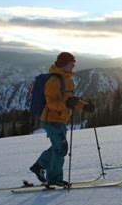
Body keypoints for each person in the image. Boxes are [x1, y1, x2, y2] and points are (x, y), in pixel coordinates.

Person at [30, 52, 95, 186]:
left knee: (58, 147)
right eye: (70, 64)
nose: (73, 66)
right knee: (61, 148)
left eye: (73, 64)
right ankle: (54, 178)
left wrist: (85, 106)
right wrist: (67, 104)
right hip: (51, 119)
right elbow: (51, 103)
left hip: (61, 119)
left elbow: (70, 100)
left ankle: (39, 166)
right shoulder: (53, 81)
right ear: (63, 64)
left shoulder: (69, 80)